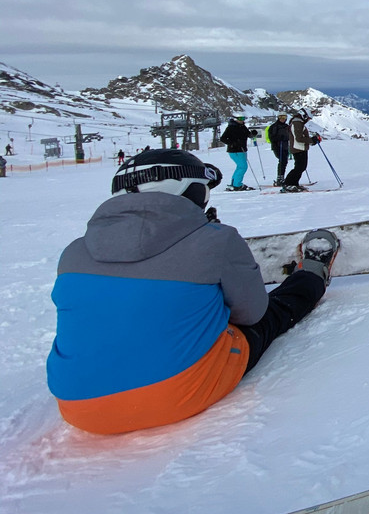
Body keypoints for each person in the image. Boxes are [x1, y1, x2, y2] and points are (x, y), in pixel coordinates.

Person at [46, 149, 339, 434]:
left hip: (78, 409)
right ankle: (312, 274)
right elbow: (252, 312)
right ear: (190, 191)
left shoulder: (73, 251)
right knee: (274, 313)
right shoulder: (215, 240)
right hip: (176, 395)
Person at [282, 111, 319, 193]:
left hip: (300, 148)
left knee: (301, 167)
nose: (308, 120)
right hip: (298, 148)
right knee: (299, 167)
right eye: (308, 118)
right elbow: (299, 138)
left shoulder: (298, 122)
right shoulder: (297, 123)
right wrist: (312, 140)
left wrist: (311, 141)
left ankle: (294, 183)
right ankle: (288, 184)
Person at [219, 115, 255, 191]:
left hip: (242, 150)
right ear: (236, 119)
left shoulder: (242, 127)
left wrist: (253, 134)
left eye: (244, 118)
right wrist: (232, 143)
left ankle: (235, 183)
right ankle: (237, 184)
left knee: (240, 167)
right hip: (234, 150)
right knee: (243, 166)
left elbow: (249, 135)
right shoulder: (231, 127)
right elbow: (223, 138)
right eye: (240, 119)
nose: (242, 120)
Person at [267, 113, 291, 187]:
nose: (283, 119)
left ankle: (281, 177)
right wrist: (279, 138)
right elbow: (271, 137)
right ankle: (279, 178)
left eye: (284, 117)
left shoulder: (287, 126)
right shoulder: (274, 127)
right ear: (278, 118)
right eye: (281, 117)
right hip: (277, 146)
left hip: (285, 146)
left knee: (284, 161)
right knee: (282, 160)